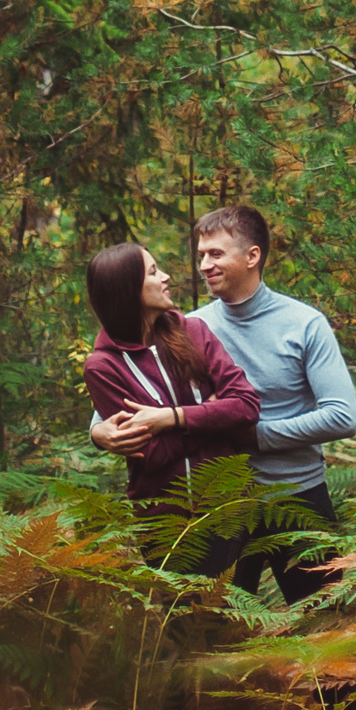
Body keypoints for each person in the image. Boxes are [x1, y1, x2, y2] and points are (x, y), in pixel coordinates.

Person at [95, 206, 356, 601]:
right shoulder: (187, 327)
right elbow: (122, 400)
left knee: (325, 624)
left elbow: (342, 417)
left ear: (252, 256)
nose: (203, 265)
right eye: (201, 255)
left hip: (295, 496)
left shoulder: (304, 323)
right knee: (223, 637)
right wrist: (98, 432)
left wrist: (252, 437)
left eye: (215, 254)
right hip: (219, 505)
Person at [80, 241, 261, 566]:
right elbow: (153, 455)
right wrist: (213, 414)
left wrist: (171, 419)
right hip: (164, 525)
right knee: (185, 617)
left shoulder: (193, 330)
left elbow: (246, 407)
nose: (165, 277)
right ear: (128, 290)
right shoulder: (102, 366)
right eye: (153, 272)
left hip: (228, 508)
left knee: (237, 613)